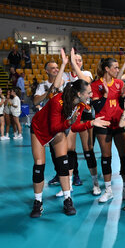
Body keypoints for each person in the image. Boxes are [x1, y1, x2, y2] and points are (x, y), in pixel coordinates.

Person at [29, 79, 110, 218]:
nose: (91, 95)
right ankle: (38, 202)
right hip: (39, 129)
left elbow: (75, 127)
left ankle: (67, 199)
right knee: (39, 166)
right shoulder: (57, 101)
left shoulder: (81, 105)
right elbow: (55, 127)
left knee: (63, 164)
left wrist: (92, 122)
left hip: (58, 130)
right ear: (79, 93)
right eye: (89, 92)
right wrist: (69, 122)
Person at [52, 48, 99, 195]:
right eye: (75, 59)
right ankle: (69, 184)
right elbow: (56, 85)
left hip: (84, 114)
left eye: (79, 60)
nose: (77, 62)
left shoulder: (86, 74)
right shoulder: (66, 75)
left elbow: (85, 83)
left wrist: (74, 63)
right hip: (70, 115)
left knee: (88, 150)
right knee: (70, 150)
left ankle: (95, 183)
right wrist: (64, 65)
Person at [91, 57, 125, 203]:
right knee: (106, 157)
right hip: (103, 125)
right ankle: (108, 190)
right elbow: (97, 108)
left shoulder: (120, 83)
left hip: (118, 124)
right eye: (114, 67)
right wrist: (106, 95)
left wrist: (124, 98)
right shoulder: (95, 85)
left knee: (124, 156)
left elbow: (122, 103)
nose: (117, 70)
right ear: (107, 69)